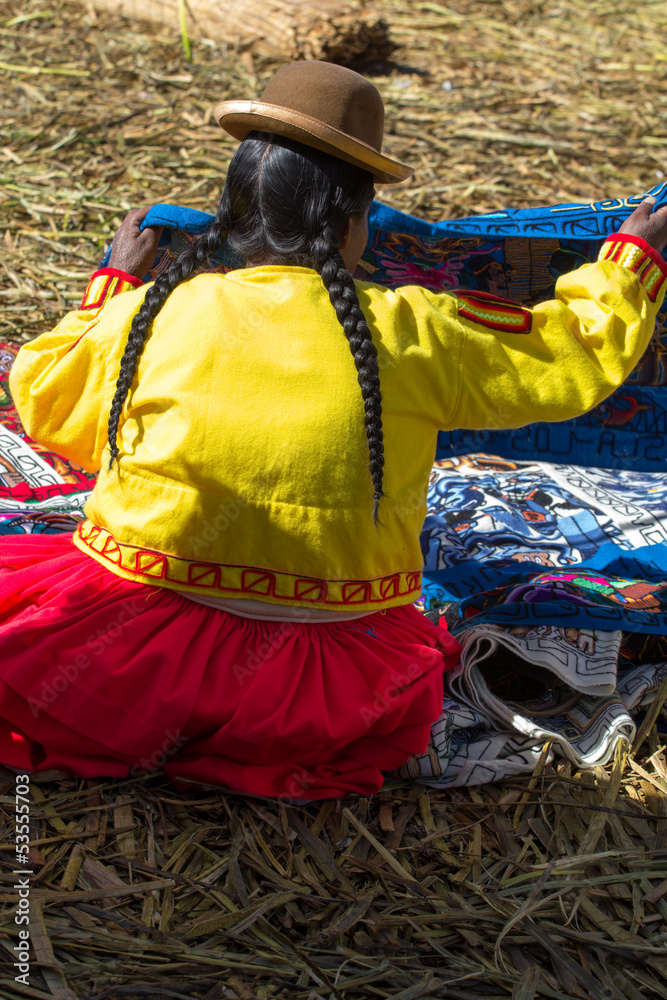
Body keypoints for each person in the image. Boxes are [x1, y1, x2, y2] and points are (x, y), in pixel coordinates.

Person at [1, 61, 666, 800]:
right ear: (354, 224)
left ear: (231, 211)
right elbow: (565, 353)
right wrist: (626, 264)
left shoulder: (157, 314)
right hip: (317, 698)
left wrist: (114, 285)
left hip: (122, 663)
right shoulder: (417, 329)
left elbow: (47, 396)